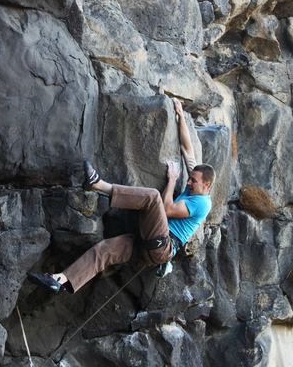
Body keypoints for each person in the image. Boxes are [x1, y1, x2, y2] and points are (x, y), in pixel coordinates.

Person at [28, 98, 215, 294]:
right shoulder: (197, 182)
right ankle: (60, 280)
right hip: (146, 242)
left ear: (206, 184)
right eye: (190, 178)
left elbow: (167, 208)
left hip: (163, 245)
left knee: (152, 197)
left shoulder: (203, 203)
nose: (189, 181)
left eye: (193, 181)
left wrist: (171, 181)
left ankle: (98, 185)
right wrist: (180, 114)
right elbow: (187, 149)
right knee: (104, 249)